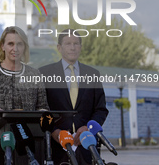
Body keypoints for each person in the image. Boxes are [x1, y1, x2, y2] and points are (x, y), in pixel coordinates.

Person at [0, 26, 49, 164]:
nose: (15, 48)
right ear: (2, 46)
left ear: (25, 47)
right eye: (11, 44)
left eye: (20, 44)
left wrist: (44, 118)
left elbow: (43, 107)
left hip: (29, 142)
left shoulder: (34, 74)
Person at [39, 29, 109, 165]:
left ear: (81, 47)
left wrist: (88, 128)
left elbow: (101, 110)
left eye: (76, 43)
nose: (72, 47)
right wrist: (54, 132)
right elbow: (41, 110)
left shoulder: (93, 74)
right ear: (59, 47)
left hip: (86, 146)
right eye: (68, 43)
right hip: (56, 146)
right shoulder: (44, 73)